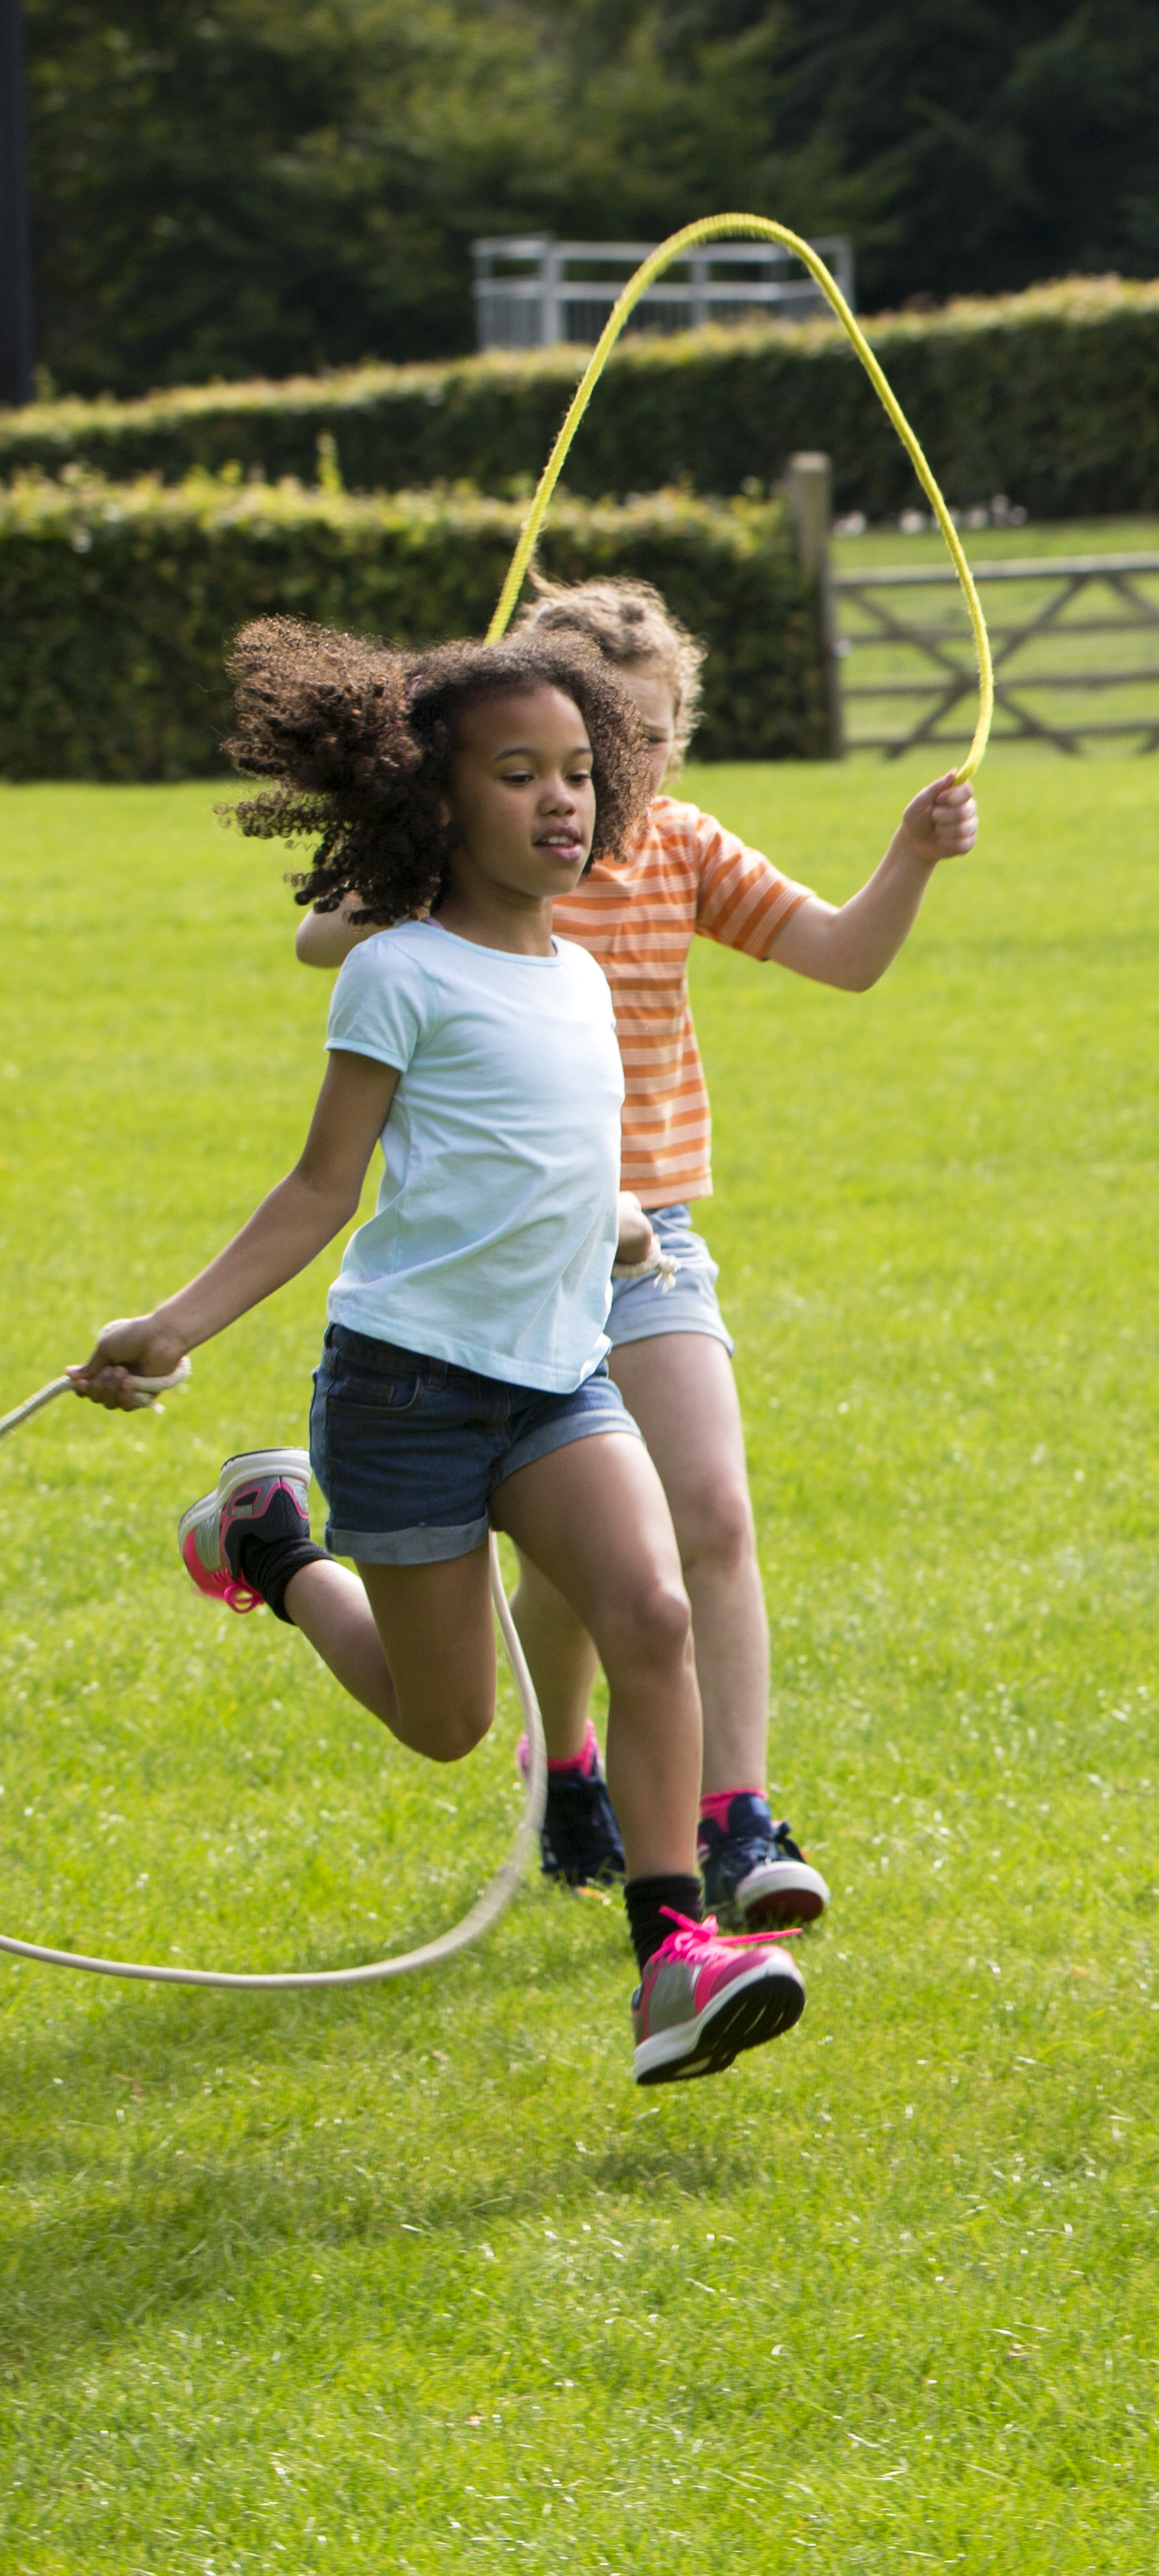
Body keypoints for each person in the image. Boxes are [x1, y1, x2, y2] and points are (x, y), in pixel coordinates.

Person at [67, 621, 806, 2086]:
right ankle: (273, 1543)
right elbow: (323, 1188)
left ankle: (673, 1952)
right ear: (434, 802)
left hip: (557, 1378)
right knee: (448, 1722)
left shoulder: (581, 980)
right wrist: (171, 1328)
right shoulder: (397, 972)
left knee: (651, 1615)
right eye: (519, 774)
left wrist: (613, 1222)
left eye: (582, 772)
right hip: (407, 1388)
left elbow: (546, 1154)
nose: (563, 801)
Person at [292, 578, 980, 1934]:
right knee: (562, 1578)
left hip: (643, 1239)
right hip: (497, 1263)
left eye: (652, 740)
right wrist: (409, 841)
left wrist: (908, 853)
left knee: (705, 1519)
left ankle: (738, 1820)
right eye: (599, 745)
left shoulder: (676, 845)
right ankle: (568, 1769)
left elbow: (841, 955)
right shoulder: (472, 871)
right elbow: (323, 941)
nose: (623, 773)